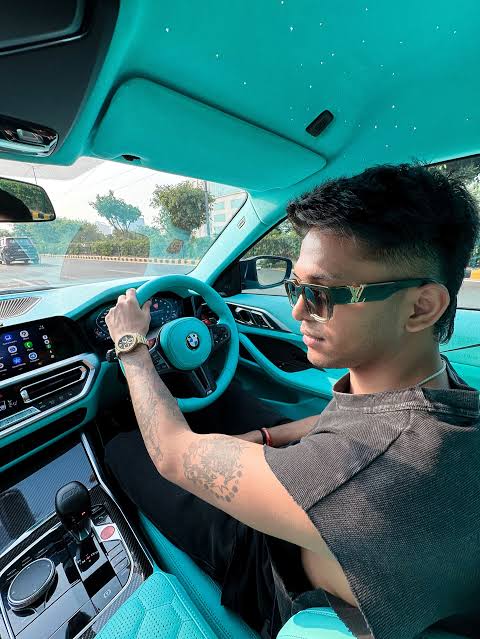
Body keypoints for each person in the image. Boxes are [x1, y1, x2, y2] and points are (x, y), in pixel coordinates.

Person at [104, 163, 480, 639]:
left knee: (121, 446)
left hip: (269, 563)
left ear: (422, 306)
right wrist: (266, 437)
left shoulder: (361, 472)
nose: (300, 309)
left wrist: (131, 348)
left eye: (321, 293)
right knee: (233, 401)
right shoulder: (445, 394)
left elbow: (173, 454)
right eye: (295, 287)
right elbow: (356, 427)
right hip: (360, 542)